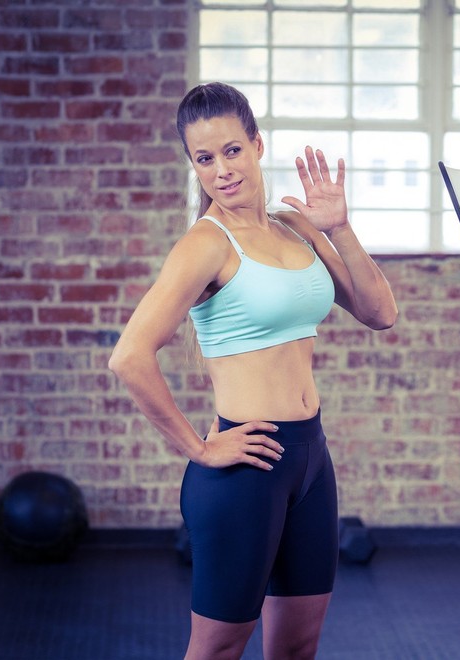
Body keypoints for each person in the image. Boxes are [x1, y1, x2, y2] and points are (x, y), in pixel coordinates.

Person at [108, 82, 398, 660]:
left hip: (311, 458)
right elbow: (129, 357)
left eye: (232, 150)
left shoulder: (296, 226)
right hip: (246, 470)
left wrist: (339, 227)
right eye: (204, 158)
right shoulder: (204, 245)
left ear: (257, 145)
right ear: (193, 165)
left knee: (297, 646)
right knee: (218, 648)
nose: (222, 170)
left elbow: (379, 312)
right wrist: (199, 448)